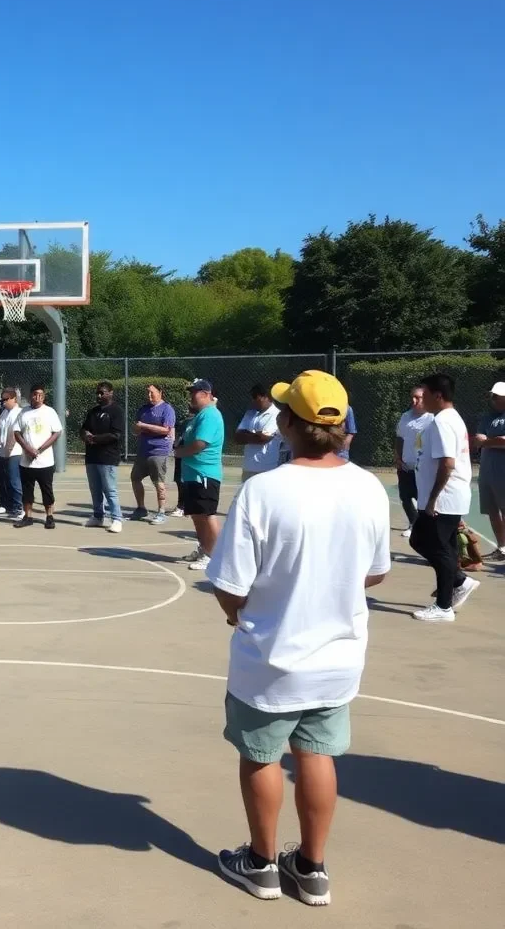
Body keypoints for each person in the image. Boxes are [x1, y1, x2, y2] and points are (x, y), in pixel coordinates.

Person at [207, 370, 390, 906]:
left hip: (271, 656)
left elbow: (229, 584)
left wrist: (238, 614)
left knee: (261, 756)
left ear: (288, 423)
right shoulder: (367, 487)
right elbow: (375, 572)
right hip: (338, 652)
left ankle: (262, 864)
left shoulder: (264, 490)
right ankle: (311, 868)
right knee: (317, 755)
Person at [410, 373, 478, 622]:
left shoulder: (442, 422)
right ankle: (458, 584)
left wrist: (432, 499)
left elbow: (447, 464)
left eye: (425, 394)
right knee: (440, 547)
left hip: (443, 499)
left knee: (428, 543)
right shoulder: (449, 418)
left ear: (437, 395)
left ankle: (444, 606)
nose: (422, 398)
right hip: (447, 497)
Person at [174, 379, 225, 571]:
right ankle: (204, 549)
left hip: (205, 474)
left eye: (194, 392)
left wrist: (180, 452)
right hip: (193, 475)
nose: (190, 396)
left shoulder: (210, 415)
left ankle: (214, 555)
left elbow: (199, 444)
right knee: (197, 515)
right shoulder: (200, 415)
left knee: (206, 515)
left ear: (206, 393)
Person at [12, 385, 63, 530]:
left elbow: (56, 433)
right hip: (26, 462)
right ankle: (28, 516)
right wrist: (27, 449)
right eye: (35, 394)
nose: (38, 397)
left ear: (44, 396)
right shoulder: (23, 412)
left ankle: (49, 516)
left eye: (40, 394)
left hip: (45, 461)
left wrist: (39, 450)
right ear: (30, 396)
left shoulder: (50, 412)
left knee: (47, 490)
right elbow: (17, 433)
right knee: (27, 491)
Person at [81, 381, 125, 532]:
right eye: (98, 393)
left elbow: (116, 434)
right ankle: (98, 516)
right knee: (95, 489)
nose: (99, 395)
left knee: (110, 489)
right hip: (92, 456)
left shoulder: (116, 411)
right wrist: (85, 435)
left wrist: (95, 439)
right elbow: (83, 428)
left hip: (108, 457)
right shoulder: (92, 411)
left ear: (110, 393)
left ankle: (117, 518)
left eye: (103, 393)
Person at [130, 383, 175, 524]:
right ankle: (141, 508)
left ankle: (161, 512)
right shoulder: (143, 410)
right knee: (135, 477)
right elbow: (135, 429)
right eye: (147, 393)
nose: (149, 396)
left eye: (152, 392)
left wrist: (144, 426)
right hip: (143, 451)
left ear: (160, 392)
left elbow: (166, 430)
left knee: (159, 483)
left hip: (159, 452)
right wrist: (137, 429)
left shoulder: (167, 409)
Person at [394, 385, 433, 538]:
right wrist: (398, 457)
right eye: (412, 397)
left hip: (424, 468)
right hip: (405, 466)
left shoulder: (432, 418)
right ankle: (413, 524)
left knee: (422, 499)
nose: (414, 400)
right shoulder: (405, 416)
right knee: (405, 497)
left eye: (418, 397)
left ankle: (427, 529)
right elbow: (399, 437)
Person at [473, 380, 505, 560]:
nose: (493, 400)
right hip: (486, 472)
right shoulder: (487, 417)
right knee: (492, 511)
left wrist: (487, 442)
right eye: (492, 396)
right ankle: (502, 548)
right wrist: (493, 441)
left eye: (496, 397)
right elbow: (478, 439)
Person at [234, 384, 281, 481]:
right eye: (252, 397)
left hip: (267, 469)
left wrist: (247, 434)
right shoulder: (250, 413)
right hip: (248, 468)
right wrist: (256, 435)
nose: (253, 400)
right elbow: (237, 437)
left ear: (266, 397)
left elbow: (263, 438)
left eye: (255, 397)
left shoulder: (276, 414)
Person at [0, 387, 24, 518]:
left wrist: (9, 450)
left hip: (14, 452)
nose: (3, 402)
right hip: (1, 451)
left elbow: (14, 433)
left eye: (6, 399)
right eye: (2, 399)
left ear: (14, 399)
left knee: (14, 480)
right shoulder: (4, 412)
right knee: (1, 479)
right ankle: (4, 504)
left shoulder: (19, 413)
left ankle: (18, 506)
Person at [167, 413, 188, 517]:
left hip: (186, 455)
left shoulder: (198, 420)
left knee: (183, 481)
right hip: (180, 454)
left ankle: (182, 507)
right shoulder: (183, 421)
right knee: (179, 480)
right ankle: (182, 506)